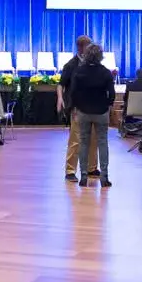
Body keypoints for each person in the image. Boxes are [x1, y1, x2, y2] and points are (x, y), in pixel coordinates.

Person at [66, 44, 117, 186]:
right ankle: (104, 177)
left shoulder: (80, 71)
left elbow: (73, 93)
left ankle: (83, 176)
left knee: (83, 143)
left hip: (83, 111)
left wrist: (75, 108)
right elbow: (112, 94)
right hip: (101, 112)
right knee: (102, 142)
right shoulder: (106, 72)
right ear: (100, 56)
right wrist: (108, 104)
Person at [59, 36, 92, 181]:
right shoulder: (71, 65)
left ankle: (92, 168)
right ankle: (70, 170)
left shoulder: (93, 64)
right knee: (76, 139)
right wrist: (60, 98)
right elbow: (61, 84)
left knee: (93, 138)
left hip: (93, 106)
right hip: (77, 106)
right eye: (88, 46)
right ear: (80, 47)